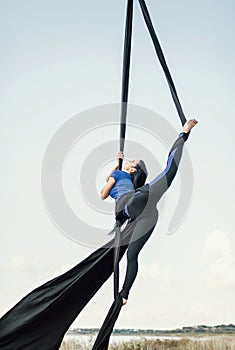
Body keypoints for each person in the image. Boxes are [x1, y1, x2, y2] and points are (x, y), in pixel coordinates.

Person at [101, 119, 198, 305]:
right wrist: (117, 164)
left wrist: (118, 165)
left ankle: (124, 294)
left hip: (142, 205)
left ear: (133, 169)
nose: (128, 161)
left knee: (169, 171)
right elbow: (108, 183)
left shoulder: (127, 179)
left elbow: (106, 187)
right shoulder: (121, 176)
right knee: (131, 255)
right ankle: (124, 295)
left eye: (131, 161)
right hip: (139, 209)